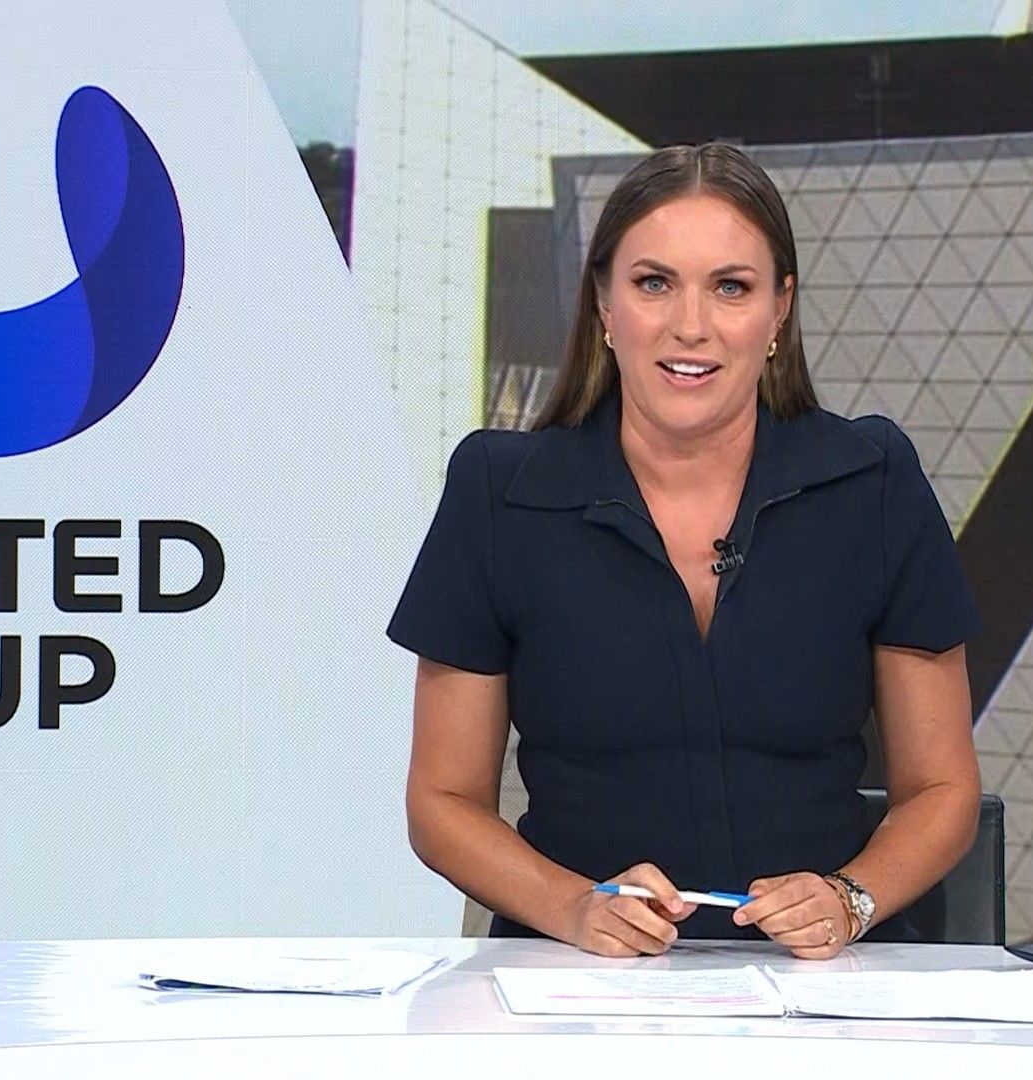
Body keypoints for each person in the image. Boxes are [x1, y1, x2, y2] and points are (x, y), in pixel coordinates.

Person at [386, 142, 982, 960]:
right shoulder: (499, 493)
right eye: (653, 283)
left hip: (825, 984)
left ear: (779, 311)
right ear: (604, 304)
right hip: (576, 980)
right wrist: (574, 908)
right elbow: (443, 801)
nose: (690, 325)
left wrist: (849, 898)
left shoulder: (872, 483)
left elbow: (943, 789)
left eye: (730, 287)